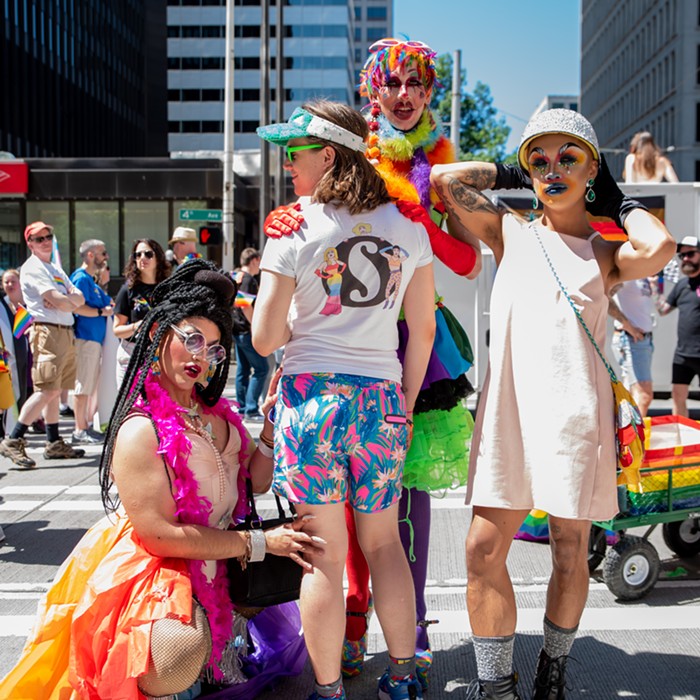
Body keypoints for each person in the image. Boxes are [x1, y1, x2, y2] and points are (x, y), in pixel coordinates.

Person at [431, 109, 675, 699]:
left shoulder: (603, 252)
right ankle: (496, 684)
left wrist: (616, 203)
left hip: (574, 417)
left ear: (593, 169)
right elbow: (445, 182)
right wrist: (513, 165)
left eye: (569, 157)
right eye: (540, 159)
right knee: (482, 549)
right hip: (510, 411)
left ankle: (555, 666)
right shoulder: (507, 228)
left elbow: (661, 244)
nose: (552, 169)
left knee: (571, 550)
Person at [0, 259, 324, 699]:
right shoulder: (140, 429)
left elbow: (259, 480)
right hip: (158, 567)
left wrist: (268, 427)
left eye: (213, 348)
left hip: (220, 556)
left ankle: (215, 650)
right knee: (176, 652)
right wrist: (261, 543)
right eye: (191, 339)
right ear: (157, 334)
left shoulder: (217, 416)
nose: (200, 357)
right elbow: (161, 537)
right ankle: (173, 674)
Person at [263, 38, 482, 689]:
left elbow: (466, 261)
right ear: (373, 96)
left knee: (388, 528)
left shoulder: (432, 171)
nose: (406, 94)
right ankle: (376, 648)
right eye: (395, 84)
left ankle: (392, 648)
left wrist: (425, 210)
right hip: (384, 377)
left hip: (379, 366)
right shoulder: (370, 169)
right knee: (371, 535)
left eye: (417, 83)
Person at [255, 100, 437, 700]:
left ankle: (329, 690)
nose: (288, 166)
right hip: (381, 401)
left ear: (329, 154)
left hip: (313, 403)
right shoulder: (408, 226)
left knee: (325, 558)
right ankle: (404, 678)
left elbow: (265, 338)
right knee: (385, 545)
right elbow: (424, 329)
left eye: (295, 153)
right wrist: (404, 402)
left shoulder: (294, 226)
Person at [0, 222, 87, 469]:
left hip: (63, 331)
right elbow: (63, 300)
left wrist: (66, 301)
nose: (45, 241)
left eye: (48, 236)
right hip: (47, 331)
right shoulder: (33, 267)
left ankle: (53, 441)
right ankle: (14, 438)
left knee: (56, 388)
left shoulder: (53, 266)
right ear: (30, 243)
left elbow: (76, 298)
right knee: (47, 389)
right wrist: (67, 300)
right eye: (39, 239)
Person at [69, 239, 114, 445]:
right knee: (84, 384)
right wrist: (99, 311)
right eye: (102, 253)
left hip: (94, 339)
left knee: (89, 384)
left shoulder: (88, 280)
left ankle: (84, 425)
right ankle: (80, 429)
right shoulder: (81, 279)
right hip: (86, 338)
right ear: (90, 255)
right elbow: (75, 307)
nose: (105, 257)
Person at [112, 239, 170, 386]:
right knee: (130, 406)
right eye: (138, 255)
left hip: (160, 355)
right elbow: (117, 330)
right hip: (131, 354)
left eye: (148, 254)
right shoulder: (128, 290)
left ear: (158, 258)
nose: (142, 258)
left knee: (156, 405)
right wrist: (137, 326)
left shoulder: (168, 290)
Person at [657, 235, 700, 417]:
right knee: (677, 396)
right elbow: (663, 310)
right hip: (683, 354)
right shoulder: (682, 285)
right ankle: (683, 438)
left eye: (690, 254)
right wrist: (656, 290)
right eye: (682, 256)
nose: (686, 259)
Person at [232, 247, 271, 422]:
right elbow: (245, 305)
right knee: (262, 369)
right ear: (254, 260)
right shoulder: (247, 279)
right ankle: (251, 408)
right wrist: (256, 325)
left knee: (243, 370)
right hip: (246, 330)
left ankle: (242, 407)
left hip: (236, 329)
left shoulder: (236, 276)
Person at [608, 278, 656, 417]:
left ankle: (627, 436)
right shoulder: (630, 275)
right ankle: (633, 438)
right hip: (631, 340)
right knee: (644, 395)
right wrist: (627, 324)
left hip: (642, 340)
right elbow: (606, 295)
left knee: (632, 394)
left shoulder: (645, 276)